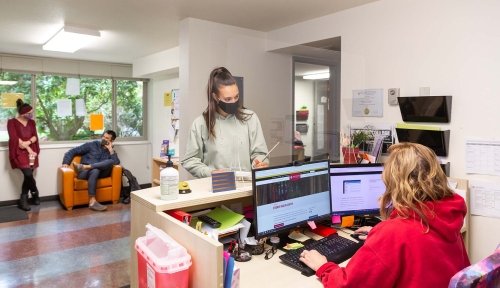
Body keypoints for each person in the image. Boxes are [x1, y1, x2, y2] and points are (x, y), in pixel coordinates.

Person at [299, 142, 470, 287]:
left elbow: (348, 284)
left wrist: (323, 267)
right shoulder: (446, 216)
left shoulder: (395, 232)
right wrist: (379, 234)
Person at [181, 67, 269, 178]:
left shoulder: (250, 118)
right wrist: (210, 173)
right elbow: (190, 160)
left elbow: (260, 153)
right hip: (217, 187)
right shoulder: (200, 124)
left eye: (236, 97)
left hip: (247, 187)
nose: (233, 102)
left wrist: (259, 163)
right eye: (228, 99)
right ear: (215, 97)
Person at [61, 130, 120, 211]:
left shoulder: (110, 151)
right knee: (95, 170)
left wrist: (110, 150)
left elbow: (116, 163)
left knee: (111, 161)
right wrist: (66, 163)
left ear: (111, 141)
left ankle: (86, 166)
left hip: (101, 173)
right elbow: (72, 151)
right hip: (84, 173)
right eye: (103, 136)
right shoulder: (92, 145)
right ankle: (92, 201)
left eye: (107, 138)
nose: (104, 139)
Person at [7, 99, 41, 211]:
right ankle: (35, 192)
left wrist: (29, 143)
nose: (31, 114)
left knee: (29, 174)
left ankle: (24, 199)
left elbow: (35, 136)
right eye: (29, 113)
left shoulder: (32, 122)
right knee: (27, 174)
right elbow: (15, 139)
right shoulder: (12, 122)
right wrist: (27, 147)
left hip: (32, 151)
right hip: (19, 152)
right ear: (22, 113)